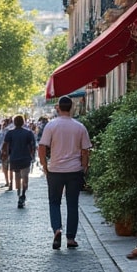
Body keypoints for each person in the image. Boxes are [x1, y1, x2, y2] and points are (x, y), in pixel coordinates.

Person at [37, 96, 92, 250]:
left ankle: (57, 229)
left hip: (55, 169)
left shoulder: (51, 126)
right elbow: (85, 150)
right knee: (72, 203)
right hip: (74, 170)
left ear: (58, 108)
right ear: (71, 108)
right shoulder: (80, 126)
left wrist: (44, 165)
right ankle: (71, 238)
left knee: (54, 202)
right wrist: (85, 167)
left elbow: (41, 147)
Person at [1, 115, 37, 209]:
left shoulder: (10, 133)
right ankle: (23, 194)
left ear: (14, 122)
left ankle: (19, 194)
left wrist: (5, 154)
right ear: (23, 122)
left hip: (14, 158)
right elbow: (33, 146)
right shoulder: (28, 133)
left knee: (17, 176)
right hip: (25, 158)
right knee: (25, 177)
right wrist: (32, 155)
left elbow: (5, 145)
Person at [0, 121, 13, 190]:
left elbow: (3, 142)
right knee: (10, 168)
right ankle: (10, 182)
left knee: (5, 168)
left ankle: (8, 182)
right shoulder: (6, 131)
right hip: (10, 151)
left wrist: (2, 150)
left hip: (5, 151)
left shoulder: (3, 131)